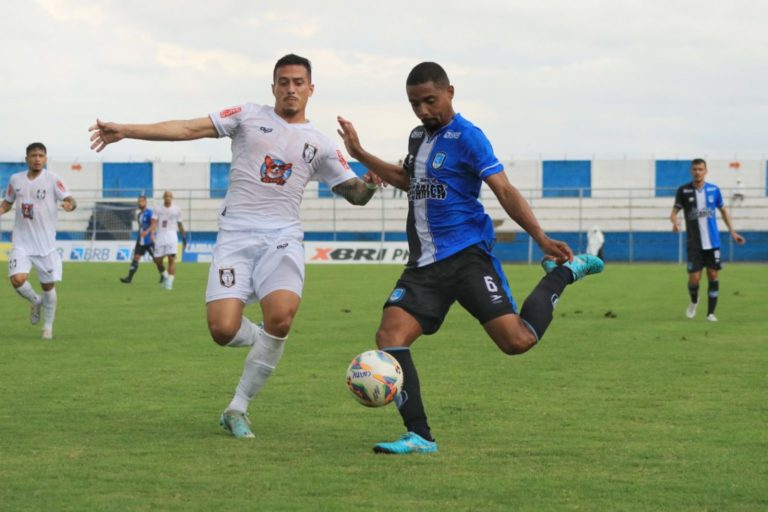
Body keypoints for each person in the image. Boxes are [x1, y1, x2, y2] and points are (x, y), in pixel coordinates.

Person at [89, 53, 380, 438]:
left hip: (283, 239)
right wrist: (127, 129)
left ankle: (237, 407)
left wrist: (373, 180)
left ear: (311, 88)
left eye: (298, 82)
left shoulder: (321, 144)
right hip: (236, 237)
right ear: (273, 86)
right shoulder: (246, 115)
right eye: (283, 81)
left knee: (282, 318)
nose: (290, 88)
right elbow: (188, 129)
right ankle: (263, 341)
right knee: (222, 330)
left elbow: (355, 194)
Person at [337, 62, 604, 455]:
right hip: (423, 266)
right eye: (415, 104)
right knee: (389, 337)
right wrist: (360, 153)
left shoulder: (469, 137)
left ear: (450, 92)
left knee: (517, 341)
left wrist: (540, 237)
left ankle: (564, 273)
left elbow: (504, 190)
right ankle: (420, 436)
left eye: (430, 101)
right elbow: (408, 181)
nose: (424, 111)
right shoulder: (417, 137)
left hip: (466, 257)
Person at [0, 142, 77, 339]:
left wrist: (69, 204)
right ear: (26, 158)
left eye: (41, 155)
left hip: (46, 246)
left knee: (48, 287)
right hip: (21, 242)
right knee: (17, 280)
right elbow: (7, 203)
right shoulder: (15, 180)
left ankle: (48, 327)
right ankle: (35, 301)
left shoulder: (53, 179)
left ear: (45, 158)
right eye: (33, 155)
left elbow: (70, 198)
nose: (37, 159)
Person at [670, 158, 746, 322]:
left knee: (713, 275)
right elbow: (674, 212)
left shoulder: (714, 190)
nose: (697, 172)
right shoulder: (683, 191)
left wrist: (733, 232)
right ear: (691, 171)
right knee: (694, 278)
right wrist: (675, 222)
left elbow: (724, 212)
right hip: (694, 244)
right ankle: (694, 300)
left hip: (713, 244)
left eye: (700, 169)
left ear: (705, 171)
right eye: (695, 169)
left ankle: (711, 313)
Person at [119, 194, 166, 284]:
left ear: (145, 202)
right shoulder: (139, 214)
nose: (140, 203)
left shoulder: (150, 213)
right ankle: (129, 278)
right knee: (135, 258)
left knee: (156, 260)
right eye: (139, 201)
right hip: (141, 240)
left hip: (149, 240)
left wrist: (148, 232)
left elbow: (154, 224)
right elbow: (142, 226)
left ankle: (164, 275)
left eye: (141, 201)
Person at [152, 190, 187, 290]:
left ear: (172, 198)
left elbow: (180, 224)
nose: (168, 198)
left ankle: (169, 283)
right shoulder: (158, 208)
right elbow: (154, 221)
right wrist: (152, 233)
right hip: (160, 236)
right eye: (166, 196)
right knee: (157, 260)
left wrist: (184, 237)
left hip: (172, 236)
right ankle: (166, 276)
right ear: (163, 197)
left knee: (171, 259)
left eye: (170, 196)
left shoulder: (177, 209)